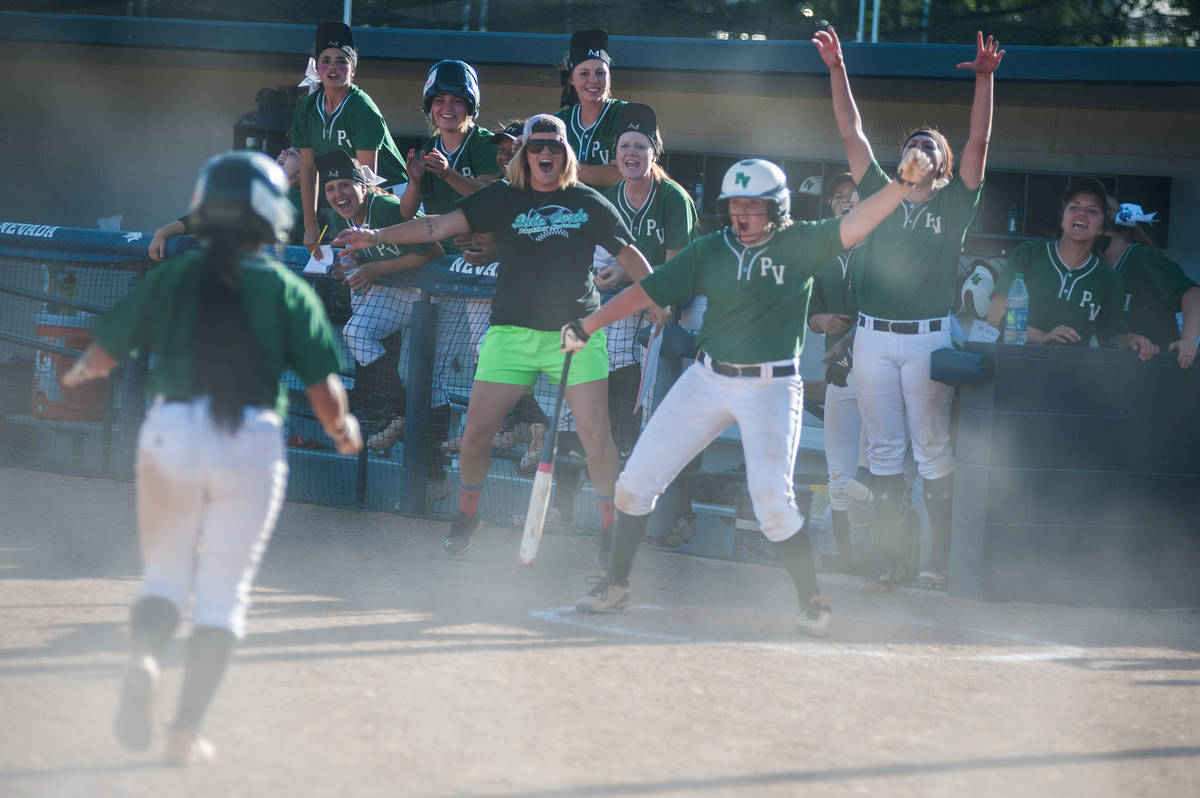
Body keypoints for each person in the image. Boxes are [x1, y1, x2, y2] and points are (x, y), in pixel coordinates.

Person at [61, 152, 360, 765]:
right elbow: (325, 394)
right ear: (270, 217)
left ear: (204, 211)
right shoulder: (286, 286)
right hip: (250, 441)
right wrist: (344, 429)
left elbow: (104, 352)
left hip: (171, 431)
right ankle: (182, 733)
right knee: (224, 593)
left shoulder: (176, 275)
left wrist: (82, 370)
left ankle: (145, 658)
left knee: (166, 575)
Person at [560, 149, 934, 636]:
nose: (741, 213)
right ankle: (616, 584)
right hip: (708, 377)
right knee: (634, 483)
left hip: (771, 386)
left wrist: (902, 184)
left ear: (777, 208)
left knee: (772, 503)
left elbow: (861, 220)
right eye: (735, 204)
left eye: (753, 205)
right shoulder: (712, 248)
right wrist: (587, 325)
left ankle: (813, 600)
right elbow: (650, 289)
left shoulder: (801, 243)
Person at [333, 114, 661, 557]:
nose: (546, 154)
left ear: (567, 154)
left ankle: (610, 528)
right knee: (474, 435)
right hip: (511, 334)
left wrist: (659, 296)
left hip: (575, 335)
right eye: (537, 146)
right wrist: (374, 233)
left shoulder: (589, 201)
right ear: (526, 153)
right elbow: (437, 226)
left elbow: (630, 253)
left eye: (555, 147)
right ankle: (468, 514)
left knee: (596, 439)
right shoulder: (503, 197)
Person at [813, 26, 1002, 592]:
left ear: (940, 162)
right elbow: (851, 130)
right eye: (912, 142)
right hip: (872, 336)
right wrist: (837, 68)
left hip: (926, 338)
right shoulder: (880, 190)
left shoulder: (955, 200)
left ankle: (937, 559)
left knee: (932, 448)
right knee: (887, 450)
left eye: (929, 145)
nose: (918, 148)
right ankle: (891, 557)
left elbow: (979, 146)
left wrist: (987, 80)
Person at [317, 150, 448, 465]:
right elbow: (357, 255)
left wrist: (377, 271)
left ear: (364, 186)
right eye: (331, 189)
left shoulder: (387, 208)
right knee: (357, 332)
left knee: (428, 379)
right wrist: (351, 264)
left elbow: (437, 251)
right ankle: (399, 412)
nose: (338, 194)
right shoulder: (339, 217)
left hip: (437, 292)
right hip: (400, 292)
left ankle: (434, 469)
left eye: (346, 185)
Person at [987, 178, 1157, 360]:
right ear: (1062, 219)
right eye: (1074, 207)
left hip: (1070, 375)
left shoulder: (1109, 278)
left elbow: (1111, 337)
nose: (1081, 214)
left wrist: (1130, 339)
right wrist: (1042, 338)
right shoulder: (1028, 254)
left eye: (1092, 211)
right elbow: (995, 315)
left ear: (1101, 228)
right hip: (1013, 366)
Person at [291, 22, 409, 254]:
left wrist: (362, 233)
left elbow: (367, 178)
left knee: (390, 281)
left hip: (390, 197)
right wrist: (310, 226)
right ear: (317, 67)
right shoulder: (306, 107)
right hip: (350, 195)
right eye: (325, 61)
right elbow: (308, 169)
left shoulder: (362, 108)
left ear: (353, 69)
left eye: (341, 61)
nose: (333, 67)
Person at [806, 172, 864, 574]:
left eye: (853, 194)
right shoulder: (821, 251)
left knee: (878, 462)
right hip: (838, 369)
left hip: (881, 364)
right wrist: (819, 320)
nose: (845, 200)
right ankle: (846, 558)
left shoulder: (882, 245)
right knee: (838, 469)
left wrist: (850, 339)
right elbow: (807, 311)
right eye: (838, 196)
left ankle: (880, 555)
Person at [148, 148, 305, 261]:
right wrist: (162, 232)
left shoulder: (302, 198)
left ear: (303, 171)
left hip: (278, 271)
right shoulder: (259, 189)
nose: (283, 151)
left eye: (294, 153)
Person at [1096, 197, 1199, 369]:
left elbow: (1193, 294)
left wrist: (1187, 341)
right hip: (1119, 374)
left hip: (1157, 371)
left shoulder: (1142, 257)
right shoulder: (1098, 271)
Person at [555, 29, 626, 189]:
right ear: (572, 78)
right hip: (568, 212)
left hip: (612, 212)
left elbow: (622, 174)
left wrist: (560, 167)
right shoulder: (558, 122)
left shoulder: (625, 114)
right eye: (584, 73)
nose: (593, 80)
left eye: (600, 72)